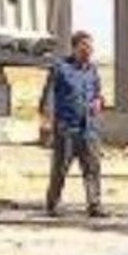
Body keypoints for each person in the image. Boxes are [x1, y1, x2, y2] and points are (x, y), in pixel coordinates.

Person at [39, 29, 106, 218]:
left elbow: (97, 93)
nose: (89, 50)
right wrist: (46, 121)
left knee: (92, 168)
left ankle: (94, 205)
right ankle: (53, 204)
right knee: (60, 169)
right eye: (85, 46)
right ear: (75, 47)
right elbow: (48, 96)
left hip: (89, 129)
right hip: (66, 128)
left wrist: (98, 101)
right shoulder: (60, 68)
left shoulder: (92, 70)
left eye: (90, 47)